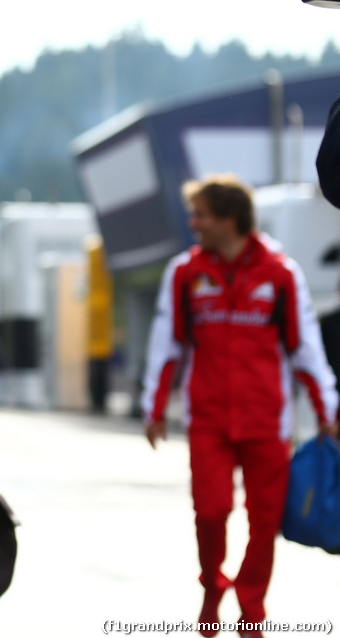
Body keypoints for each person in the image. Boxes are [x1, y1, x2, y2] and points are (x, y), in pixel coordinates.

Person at [141, 175, 338, 636]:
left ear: (231, 219)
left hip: (267, 421)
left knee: (263, 520)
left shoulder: (281, 272)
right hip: (207, 419)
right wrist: (154, 408)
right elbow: (166, 344)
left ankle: (252, 607)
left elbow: (306, 349)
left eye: (201, 215)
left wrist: (327, 410)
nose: (193, 224)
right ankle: (212, 589)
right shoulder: (185, 273)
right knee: (210, 511)